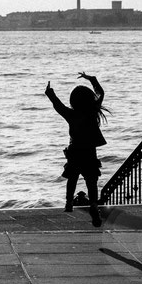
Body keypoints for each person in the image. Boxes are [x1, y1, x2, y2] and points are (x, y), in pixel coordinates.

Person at [45, 72, 108, 227]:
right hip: (90, 153)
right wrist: (92, 80)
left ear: (73, 101)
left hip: (74, 153)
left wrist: (50, 93)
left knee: (72, 178)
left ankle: (68, 203)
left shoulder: (71, 115)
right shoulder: (93, 112)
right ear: (90, 99)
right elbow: (101, 93)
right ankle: (93, 204)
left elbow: (58, 106)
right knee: (91, 181)